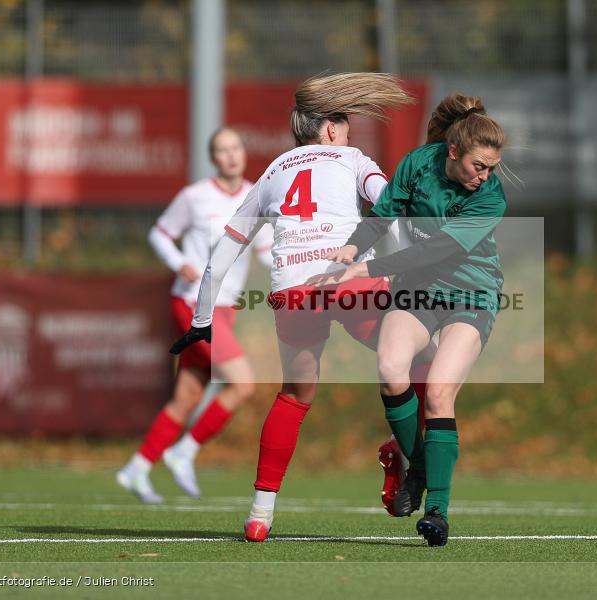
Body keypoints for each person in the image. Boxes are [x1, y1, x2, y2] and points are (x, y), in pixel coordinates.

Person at [169, 72, 432, 541]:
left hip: (294, 293)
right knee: (422, 363)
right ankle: (408, 457)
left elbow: (225, 250)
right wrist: (406, 270)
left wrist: (202, 320)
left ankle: (258, 515)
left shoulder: (272, 171)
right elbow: (390, 208)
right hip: (352, 285)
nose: (348, 133)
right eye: (346, 125)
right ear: (331, 128)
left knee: (294, 395)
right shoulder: (353, 159)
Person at [310, 95, 507, 546]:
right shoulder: (419, 163)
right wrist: (352, 248)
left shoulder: (490, 198)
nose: (486, 176)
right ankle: (416, 467)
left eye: (492, 167)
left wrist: (366, 269)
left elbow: (437, 250)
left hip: (470, 294)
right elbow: (381, 216)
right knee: (391, 368)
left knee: (438, 393)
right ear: (454, 152)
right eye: (480, 165)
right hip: (417, 290)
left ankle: (437, 511)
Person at [117, 127, 272, 504]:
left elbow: (267, 254)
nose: (231, 155)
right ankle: (184, 451)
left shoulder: (259, 197)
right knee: (243, 384)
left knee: (186, 397)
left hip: (227, 308)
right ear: (213, 158)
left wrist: (302, 273)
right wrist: (178, 261)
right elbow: (160, 233)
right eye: (222, 150)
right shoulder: (194, 197)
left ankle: (136, 469)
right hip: (193, 303)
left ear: (243, 151)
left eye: (235, 147)